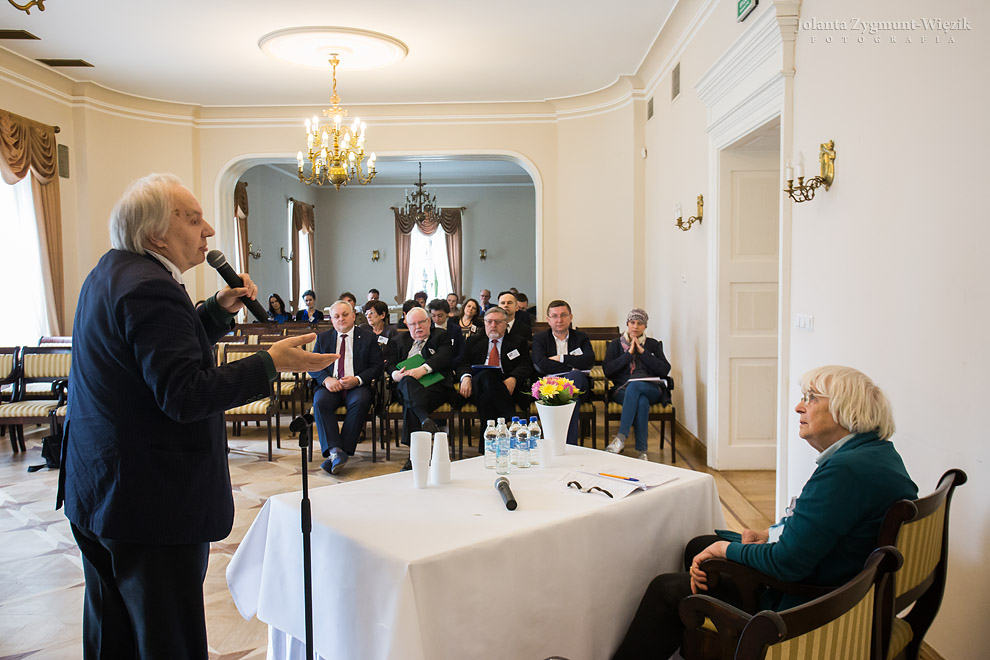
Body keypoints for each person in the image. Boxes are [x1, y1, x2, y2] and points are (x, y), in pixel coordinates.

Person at [57, 173, 337, 660]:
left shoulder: (113, 271)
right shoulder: (153, 289)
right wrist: (271, 362)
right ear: (155, 234)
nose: (208, 231)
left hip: (100, 490)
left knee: (112, 632)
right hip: (149, 501)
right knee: (168, 638)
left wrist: (214, 310)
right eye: (193, 219)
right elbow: (184, 394)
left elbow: (153, 361)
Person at [611, 365, 918, 660]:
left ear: (845, 410)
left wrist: (725, 549)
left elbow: (787, 564)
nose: (799, 407)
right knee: (698, 547)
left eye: (811, 398)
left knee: (666, 588)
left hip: (807, 605)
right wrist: (768, 535)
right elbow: (827, 527)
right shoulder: (877, 453)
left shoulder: (845, 471)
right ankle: (697, 643)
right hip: (841, 582)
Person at [309, 300, 383, 475]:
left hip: (357, 385)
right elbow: (312, 364)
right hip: (331, 385)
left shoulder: (367, 337)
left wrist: (357, 379)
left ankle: (340, 452)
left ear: (353, 316)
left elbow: (377, 366)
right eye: (336, 316)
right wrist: (326, 379)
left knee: (361, 401)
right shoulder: (324, 338)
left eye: (344, 315)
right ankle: (336, 450)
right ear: (331, 320)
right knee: (320, 403)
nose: (341, 319)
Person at [385, 307, 454, 469]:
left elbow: (444, 357)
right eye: (412, 324)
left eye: (421, 322)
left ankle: (414, 457)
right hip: (405, 388)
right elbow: (389, 363)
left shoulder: (441, 336)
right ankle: (425, 420)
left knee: (412, 405)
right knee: (408, 383)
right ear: (407, 325)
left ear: (429, 322)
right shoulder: (398, 340)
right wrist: (395, 374)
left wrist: (422, 370)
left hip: (434, 388)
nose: (417, 327)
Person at [457, 306, 532, 450]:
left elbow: (526, 365)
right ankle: (511, 416)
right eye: (489, 321)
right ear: (484, 323)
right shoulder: (473, 341)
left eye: (498, 322)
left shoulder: (518, 342)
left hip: (506, 386)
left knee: (487, 400)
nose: (493, 325)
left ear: (505, 323)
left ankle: (486, 448)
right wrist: (465, 377)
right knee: (486, 374)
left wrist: (513, 378)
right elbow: (462, 363)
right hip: (477, 385)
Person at [603, 309, 670, 460]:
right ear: (627, 324)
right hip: (622, 389)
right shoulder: (615, 345)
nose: (635, 327)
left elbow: (665, 369)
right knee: (641, 401)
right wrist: (628, 354)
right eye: (632, 322)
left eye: (640, 323)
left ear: (645, 326)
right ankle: (642, 451)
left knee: (636, 387)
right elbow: (608, 371)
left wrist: (642, 352)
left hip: (651, 388)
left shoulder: (652, 345)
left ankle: (620, 438)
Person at [531, 300, 594, 445]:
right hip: (549, 386)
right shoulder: (540, 339)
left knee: (575, 378)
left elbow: (589, 360)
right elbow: (541, 364)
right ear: (548, 320)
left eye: (563, 315)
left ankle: (562, 443)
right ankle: (566, 444)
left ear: (571, 317)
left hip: (579, 385)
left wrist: (561, 358)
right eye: (554, 316)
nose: (559, 320)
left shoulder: (581, 337)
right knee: (572, 385)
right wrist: (572, 367)